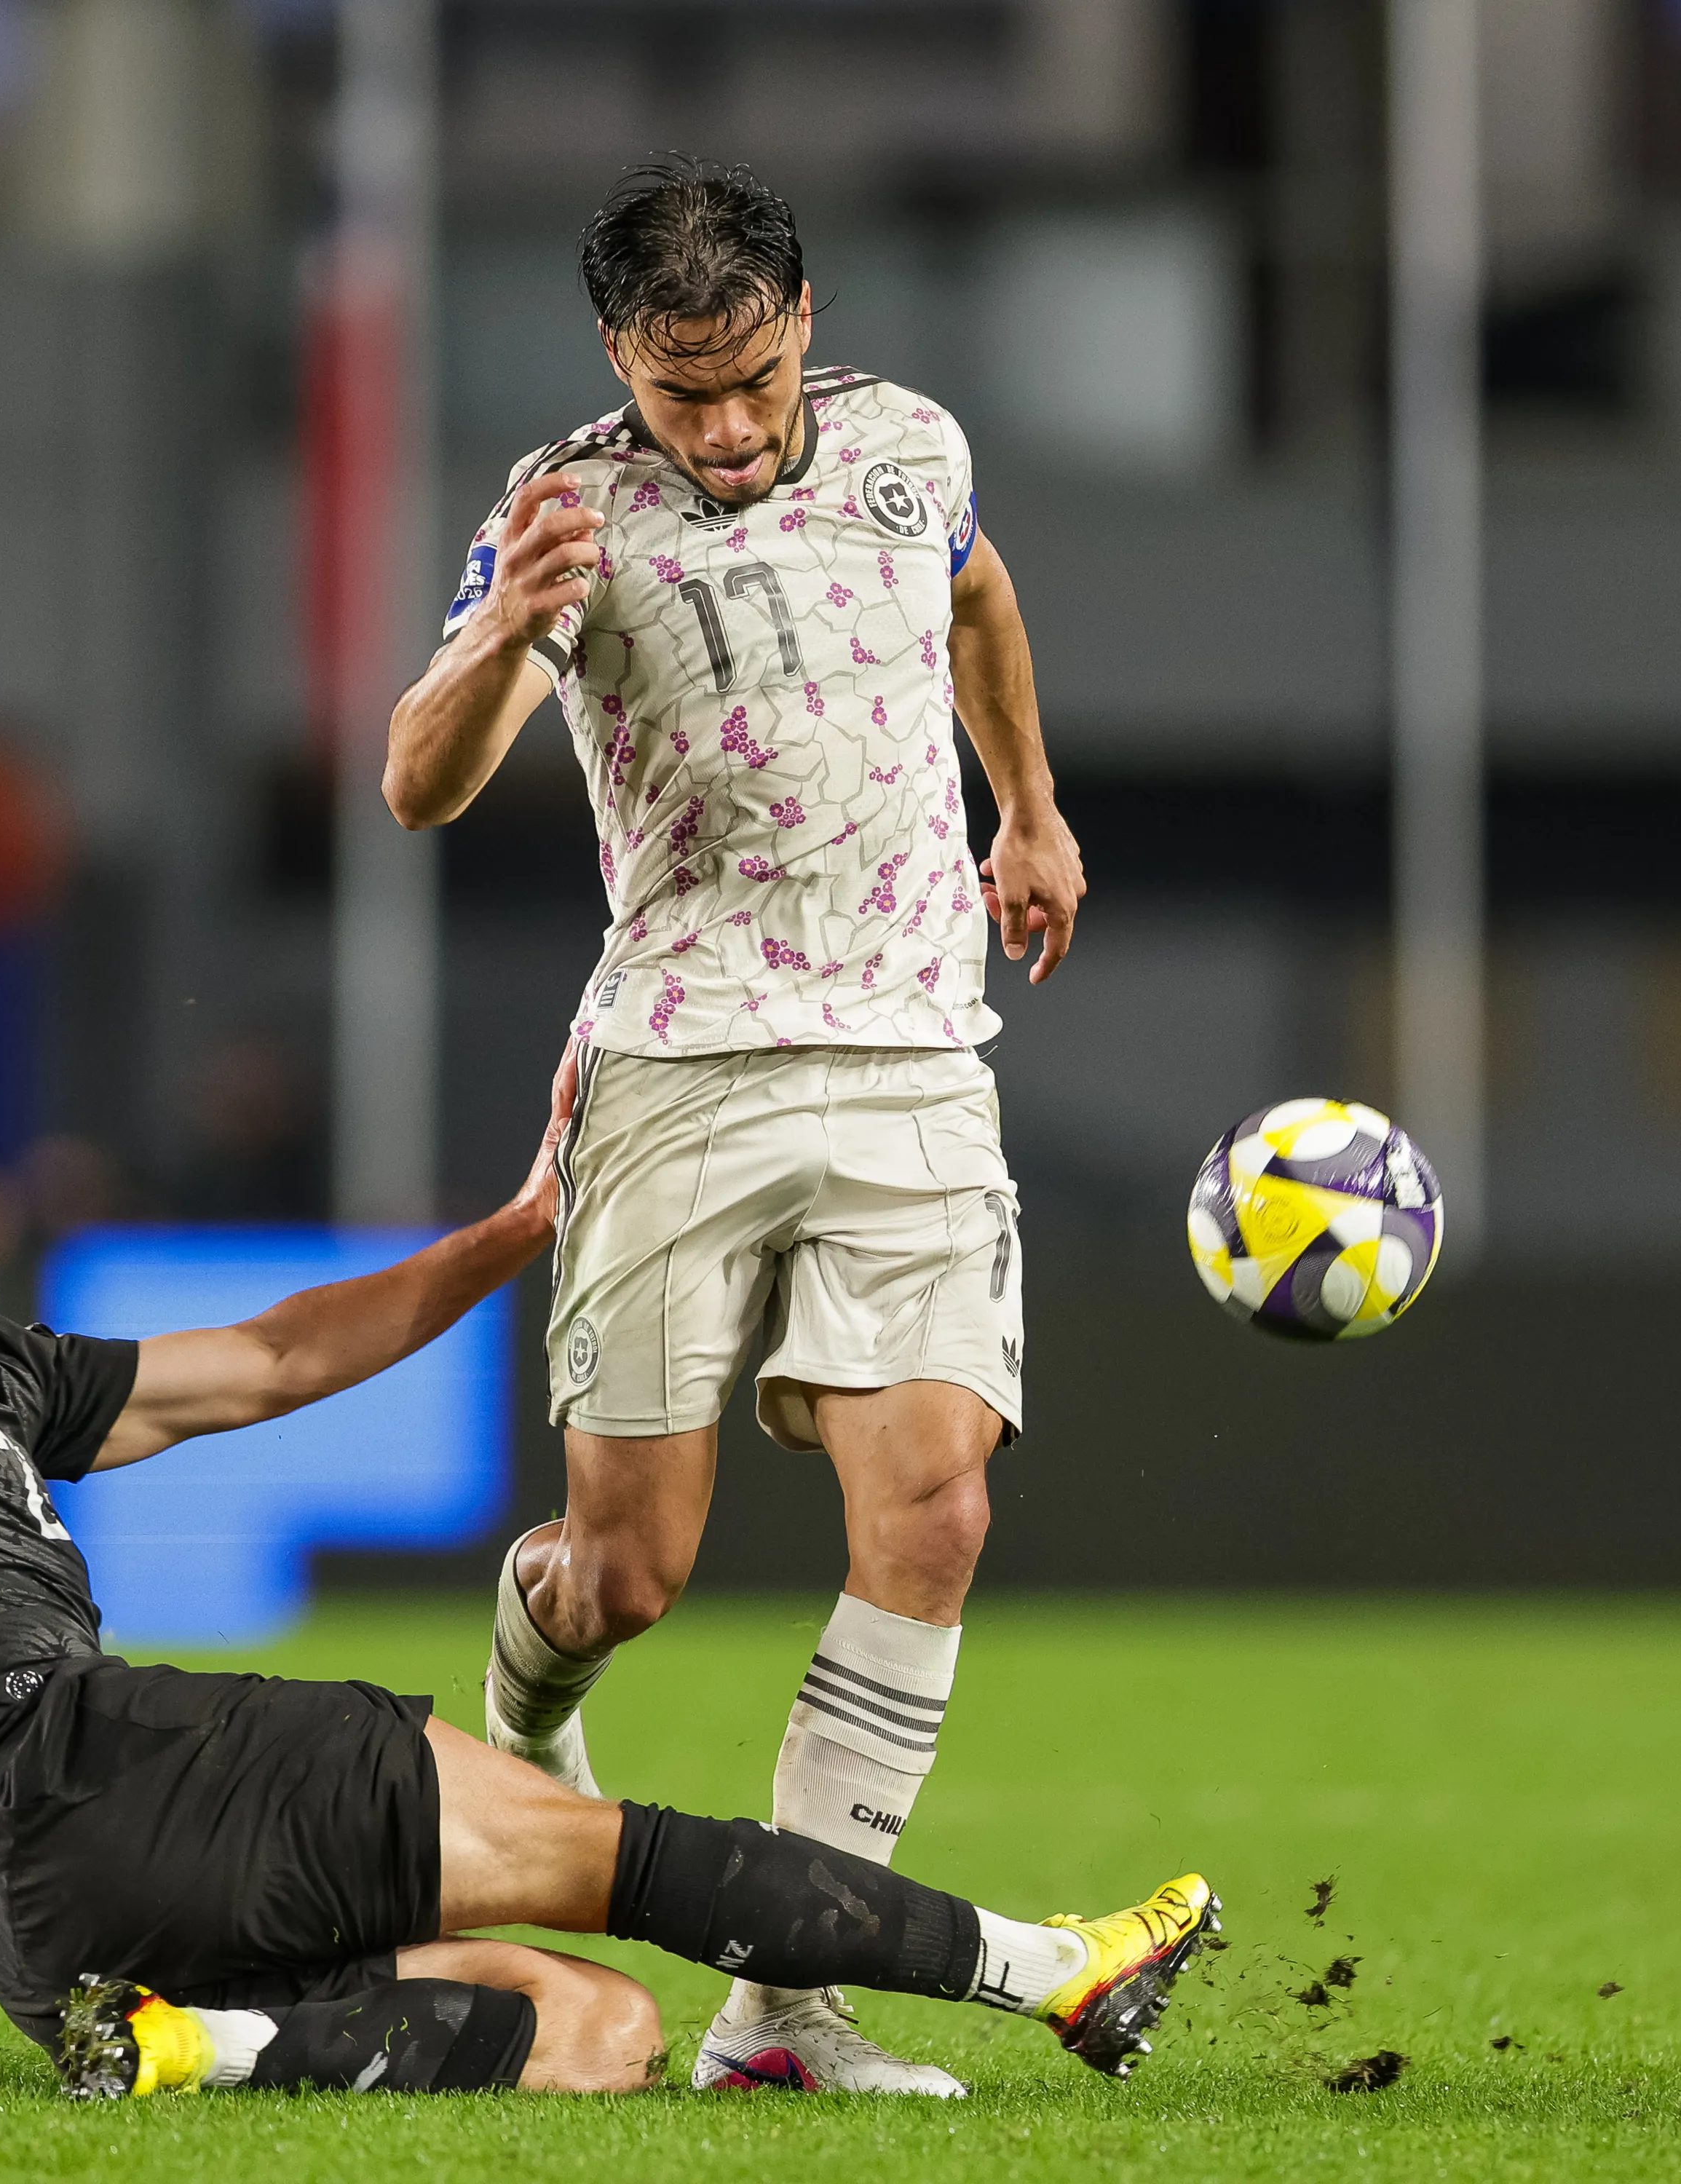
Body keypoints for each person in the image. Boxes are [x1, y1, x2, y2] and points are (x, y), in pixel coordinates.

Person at [0, 823, 1217, 2099]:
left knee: (593, 2034)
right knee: (614, 1858)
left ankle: (212, 2047)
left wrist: (511, 1234)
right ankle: (1048, 1967)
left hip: (44, 1919)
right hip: (97, 1764)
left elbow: (277, 1359)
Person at [383, 158, 1088, 2093]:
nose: (724, 425)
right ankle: (525, 1711)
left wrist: (1022, 806)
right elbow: (414, 790)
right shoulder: (563, 513)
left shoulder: (905, 447)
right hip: (683, 1064)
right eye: (681, 391)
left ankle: (781, 2011)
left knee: (933, 1509)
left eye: (754, 378)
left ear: (805, 323)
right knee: (627, 1576)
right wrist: (486, 636)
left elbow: (973, 590)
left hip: (911, 1055)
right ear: (617, 356)